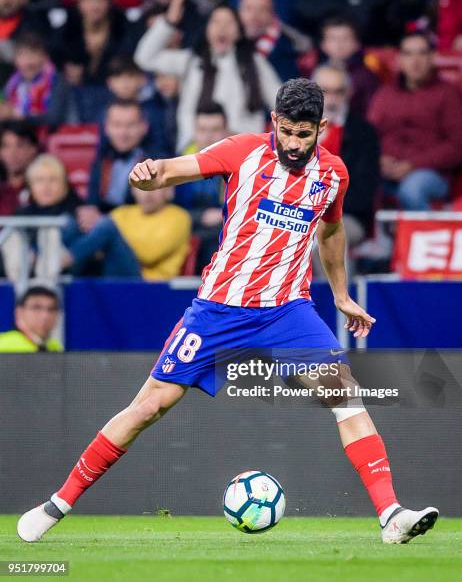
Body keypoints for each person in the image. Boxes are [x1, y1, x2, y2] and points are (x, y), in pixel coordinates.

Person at [18, 78, 438, 545]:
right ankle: (58, 503)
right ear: (273, 122)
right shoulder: (242, 151)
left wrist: (339, 294)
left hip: (286, 310)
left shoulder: (334, 173)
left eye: (306, 134)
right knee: (148, 407)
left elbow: (332, 231)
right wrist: (150, 172)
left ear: (321, 128)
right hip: (217, 309)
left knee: (345, 392)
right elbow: (179, 170)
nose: (295, 144)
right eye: (288, 132)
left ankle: (390, 515)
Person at [135, 4, 281, 152]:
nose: (222, 28)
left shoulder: (254, 63)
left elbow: (280, 103)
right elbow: (145, 58)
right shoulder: (190, 61)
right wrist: (168, 23)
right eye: (216, 22)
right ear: (206, 29)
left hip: (242, 150)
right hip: (195, 148)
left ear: (239, 31)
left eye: (229, 23)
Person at [368, 31, 462, 210]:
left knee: (412, 188)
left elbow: (457, 146)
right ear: (399, 60)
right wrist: (379, 159)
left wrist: (413, 165)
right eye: (408, 54)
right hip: (385, 169)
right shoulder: (384, 95)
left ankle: (424, 235)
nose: (415, 61)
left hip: (432, 173)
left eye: (422, 53)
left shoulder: (449, 94)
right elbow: (368, 136)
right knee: (352, 181)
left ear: (432, 57)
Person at [64, 186, 191, 279]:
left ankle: (63, 261)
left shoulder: (179, 217)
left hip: (150, 283)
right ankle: (66, 272)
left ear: (168, 191)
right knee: (74, 224)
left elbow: (149, 254)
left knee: (107, 227)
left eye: (156, 186)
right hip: (112, 272)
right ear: (133, 189)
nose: (148, 194)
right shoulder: (122, 212)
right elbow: (99, 245)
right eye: (143, 186)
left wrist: (114, 240)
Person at [314, 64, 379, 244]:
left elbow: (363, 191)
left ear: (349, 93)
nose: (332, 99)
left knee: (323, 237)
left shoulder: (364, 133)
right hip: (296, 214)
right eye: (325, 91)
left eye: (339, 92)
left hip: (346, 216)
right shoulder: (294, 130)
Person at [2, 154, 83, 282]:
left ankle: (44, 271)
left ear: (64, 184)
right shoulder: (22, 214)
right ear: (30, 186)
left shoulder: (78, 211)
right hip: (24, 274)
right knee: (11, 235)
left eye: (53, 180)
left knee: (53, 229)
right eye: (39, 180)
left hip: (69, 276)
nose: (46, 186)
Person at [80, 99, 151, 235]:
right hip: (100, 229)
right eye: (117, 125)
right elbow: (92, 202)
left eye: (130, 125)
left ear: (144, 127)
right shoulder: (100, 161)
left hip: (136, 231)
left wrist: (107, 220)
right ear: (107, 127)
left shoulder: (155, 162)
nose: (123, 133)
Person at [175, 102, 229, 271]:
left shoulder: (240, 165)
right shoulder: (179, 163)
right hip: (187, 228)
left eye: (215, 130)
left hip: (225, 230)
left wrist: (222, 214)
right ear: (194, 131)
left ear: (226, 131)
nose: (208, 136)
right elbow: (171, 211)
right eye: (202, 130)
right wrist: (200, 216)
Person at [1, 32, 72, 128]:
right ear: (15, 60)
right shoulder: (11, 84)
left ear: (45, 57)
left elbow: (54, 118)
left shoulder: (58, 81)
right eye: (22, 55)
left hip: (51, 139)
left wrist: (20, 116)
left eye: (33, 55)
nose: (27, 62)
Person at [238, 0, 309, 81]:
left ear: (272, 15)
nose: (254, 16)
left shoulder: (288, 50)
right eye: (248, 9)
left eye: (262, 9)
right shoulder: (231, 42)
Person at [319, 16, 379, 117]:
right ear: (323, 44)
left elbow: (371, 113)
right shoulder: (315, 72)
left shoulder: (366, 77)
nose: (339, 45)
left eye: (345, 39)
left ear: (357, 44)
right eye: (333, 38)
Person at [0, 285, 62, 352]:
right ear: (19, 312)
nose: (45, 315)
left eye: (51, 309)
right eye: (36, 307)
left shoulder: (56, 347)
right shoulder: (2, 344)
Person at [0, 120, 39, 215]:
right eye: (6, 146)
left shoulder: (44, 190)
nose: (12, 153)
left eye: (20, 145)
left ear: (33, 149)